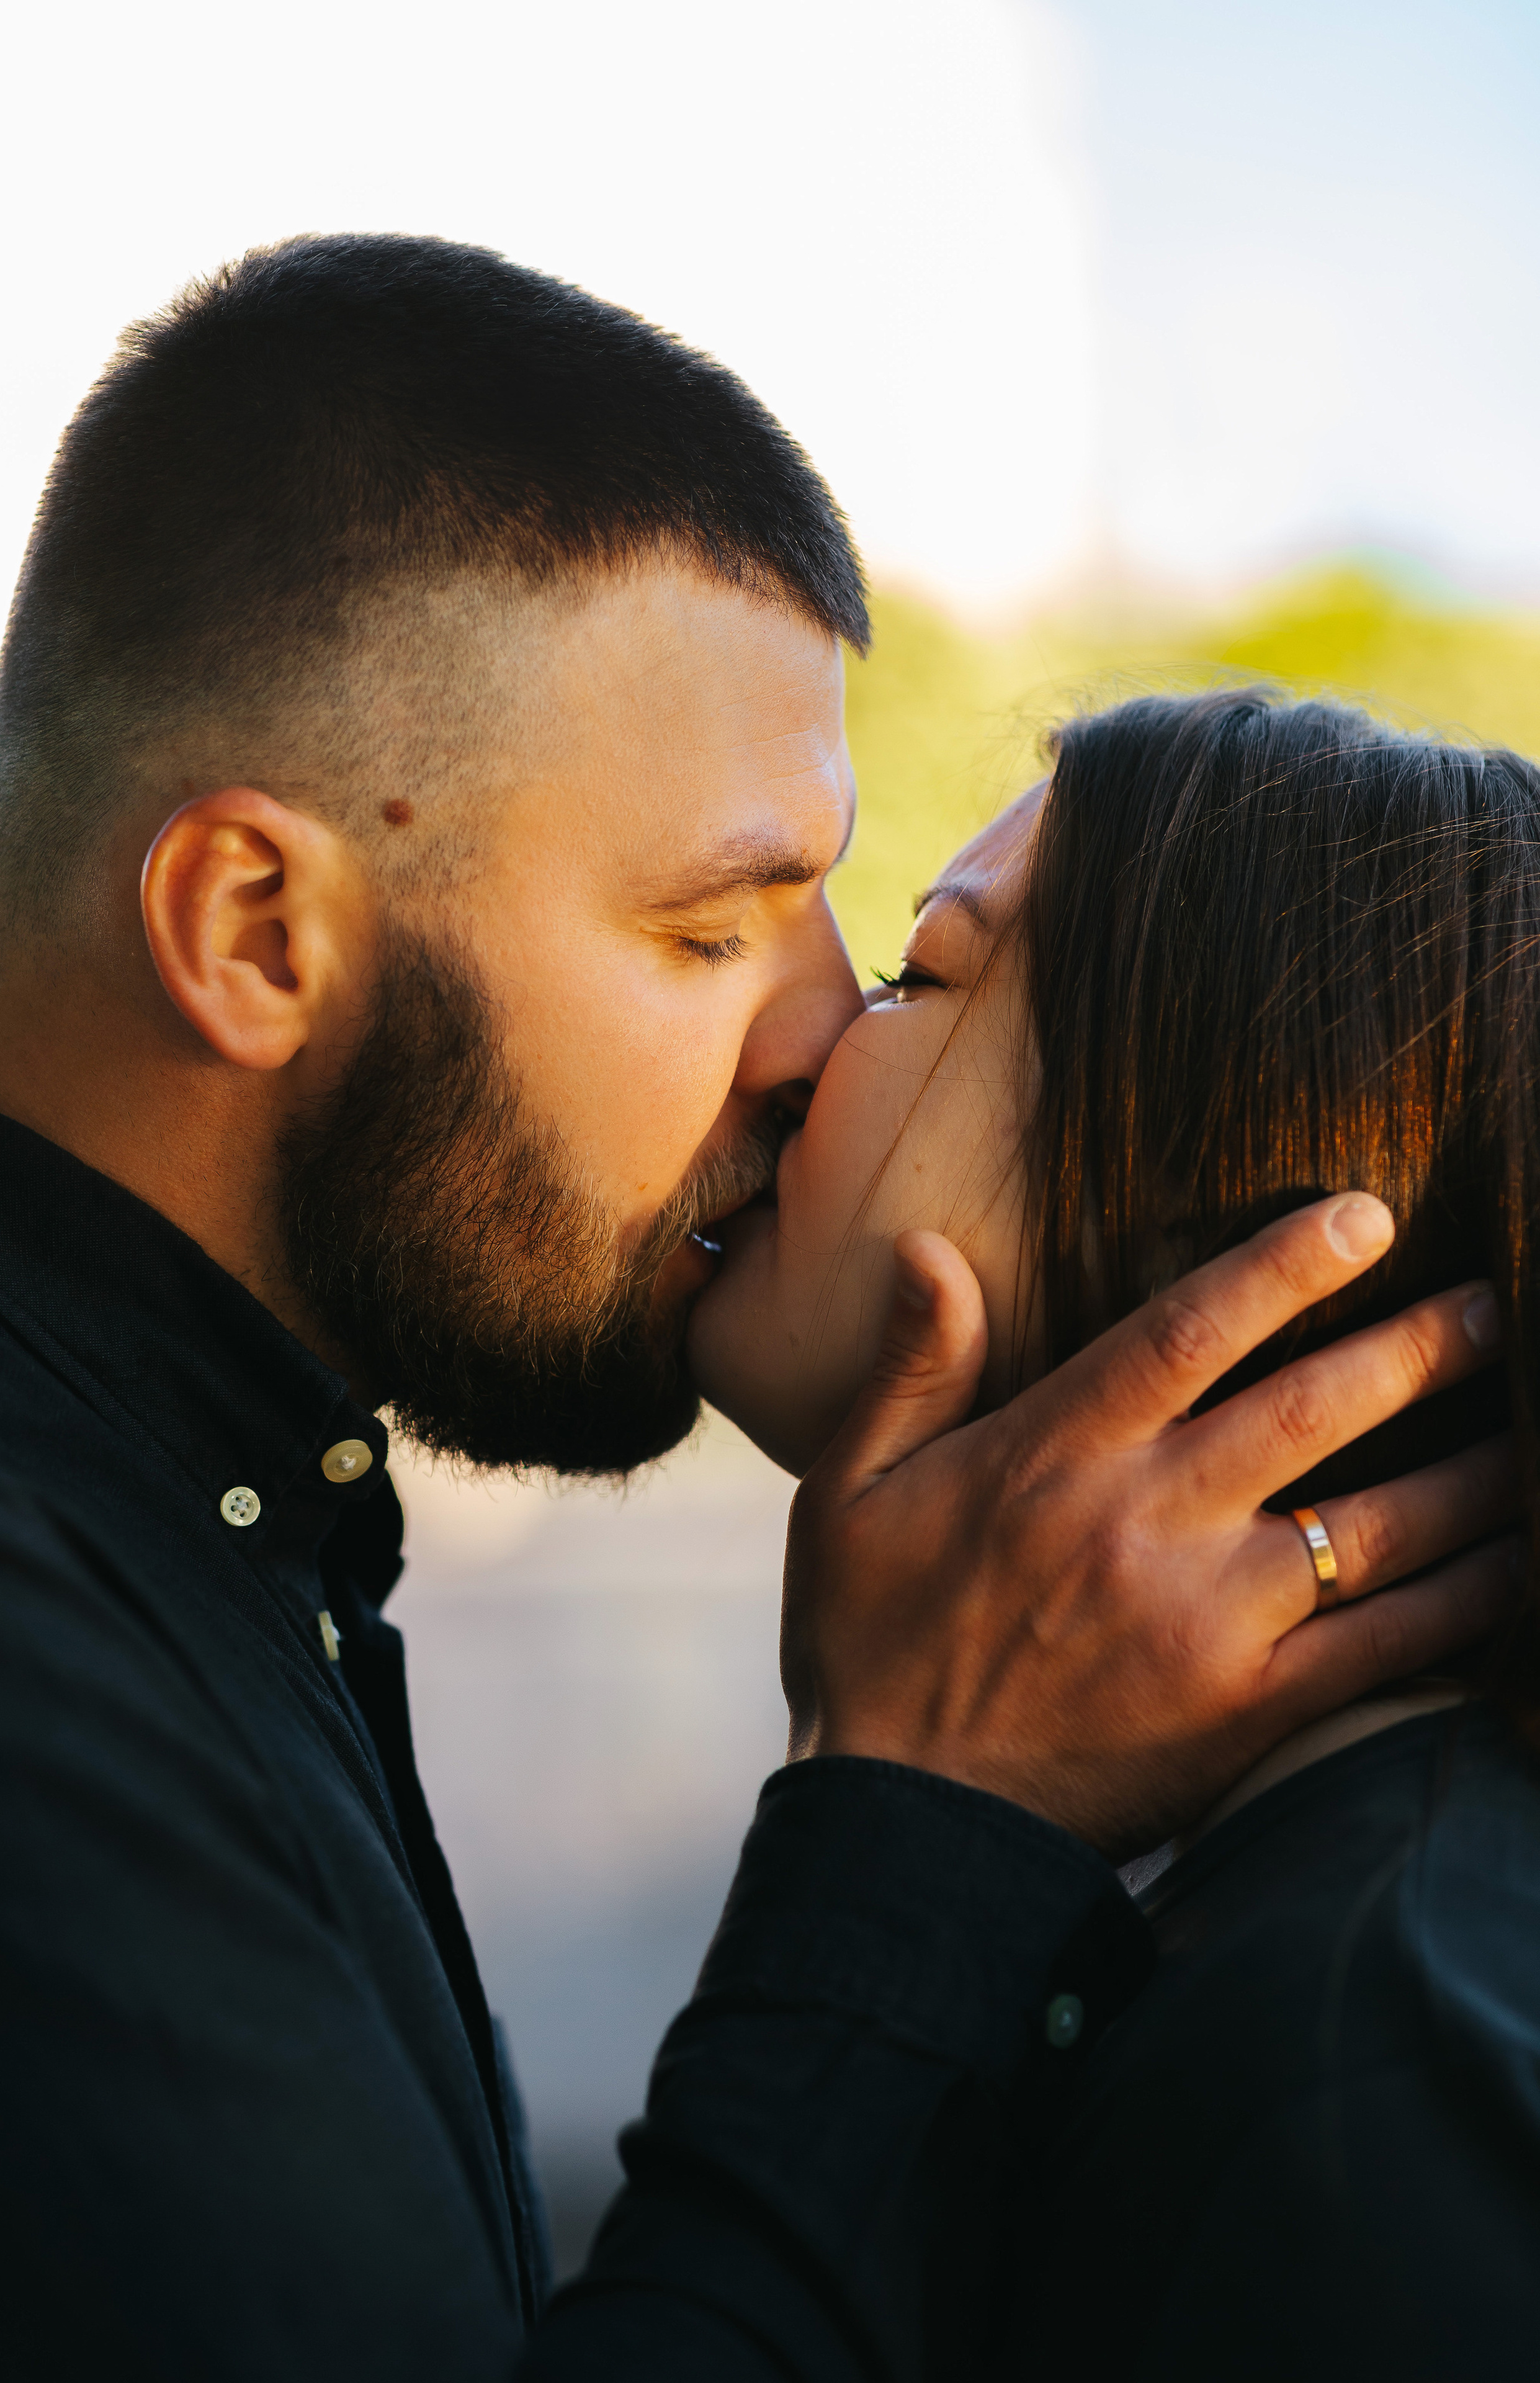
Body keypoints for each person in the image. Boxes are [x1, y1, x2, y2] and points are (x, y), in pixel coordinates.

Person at [0, 234, 1513, 2381]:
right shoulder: (14, 1635)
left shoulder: (1389, 2059)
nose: (815, 1036)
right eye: (710, 928)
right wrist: (915, 1824)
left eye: (872, 938)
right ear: (252, 929)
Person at [690, 686, 1540, 2376]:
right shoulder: (1314, 1942)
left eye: (921, 974)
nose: (797, 1054)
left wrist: (890, 1824)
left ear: (1204, 1213)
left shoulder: (1371, 2089)